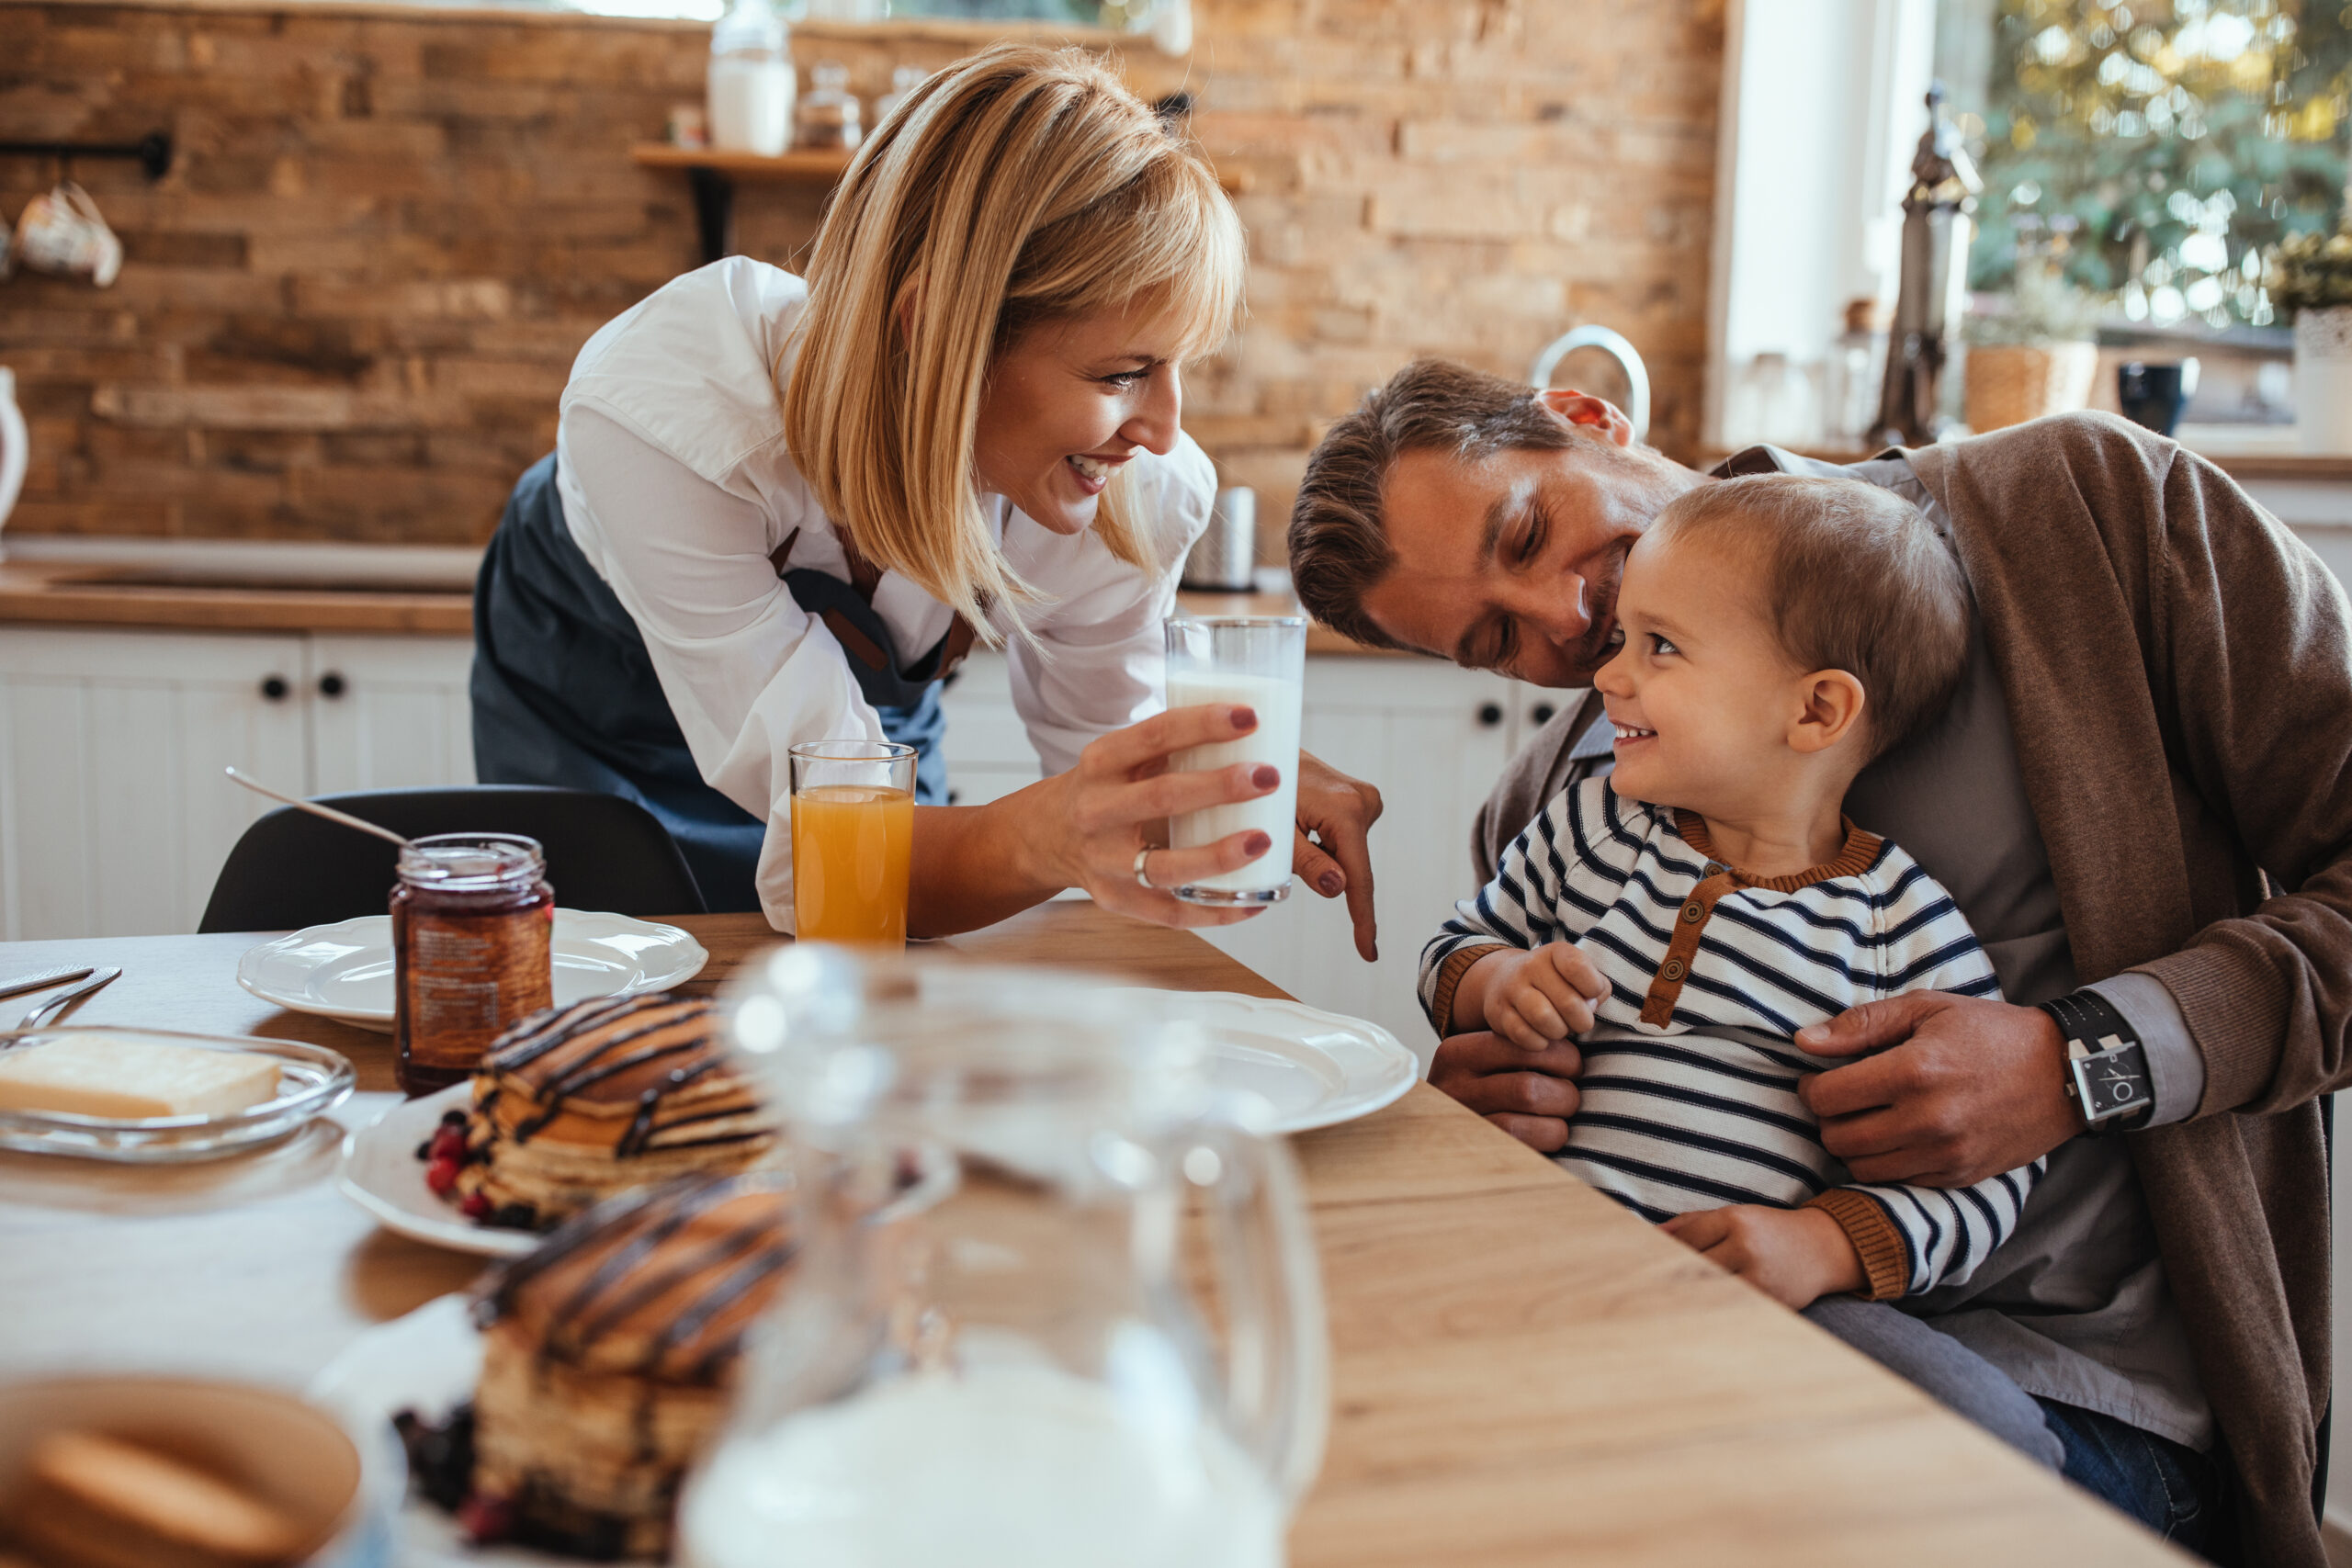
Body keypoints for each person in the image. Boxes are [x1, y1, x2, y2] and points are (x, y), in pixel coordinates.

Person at [1288, 358, 2352, 1563]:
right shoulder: (1560, 800)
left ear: (1586, 419)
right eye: (1493, 639)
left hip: (2077, 1406)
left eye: (1533, 529)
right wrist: (1494, 1102)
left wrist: (2083, 1058)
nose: (1566, 623)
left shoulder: (2097, 514)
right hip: (1672, 1345)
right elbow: (1491, 1001)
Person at [470, 46, 1382, 948]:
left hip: (867, 723)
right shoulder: (671, 415)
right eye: (1122, 372)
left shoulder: (1134, 492)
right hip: (598, 698)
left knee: (878, 968)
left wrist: (1189, 791)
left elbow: (1063, 791)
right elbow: (839, 850)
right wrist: (1044, 833)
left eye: (1178, 366)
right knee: (594, 993)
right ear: (933, 331)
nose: (1161, 430)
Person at [1422, 472, 2061, 1466]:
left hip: (1763, 1299)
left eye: (1659, 646)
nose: (1607, 676)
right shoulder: (1588, 825)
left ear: (1814, 712)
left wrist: (1823, 1247)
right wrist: (1492, 980)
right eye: (1624, 638)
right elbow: (1455, 942)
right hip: (1541, 1243)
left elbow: (1985, 1174)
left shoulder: (1901, 925)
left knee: (1995, 1431)